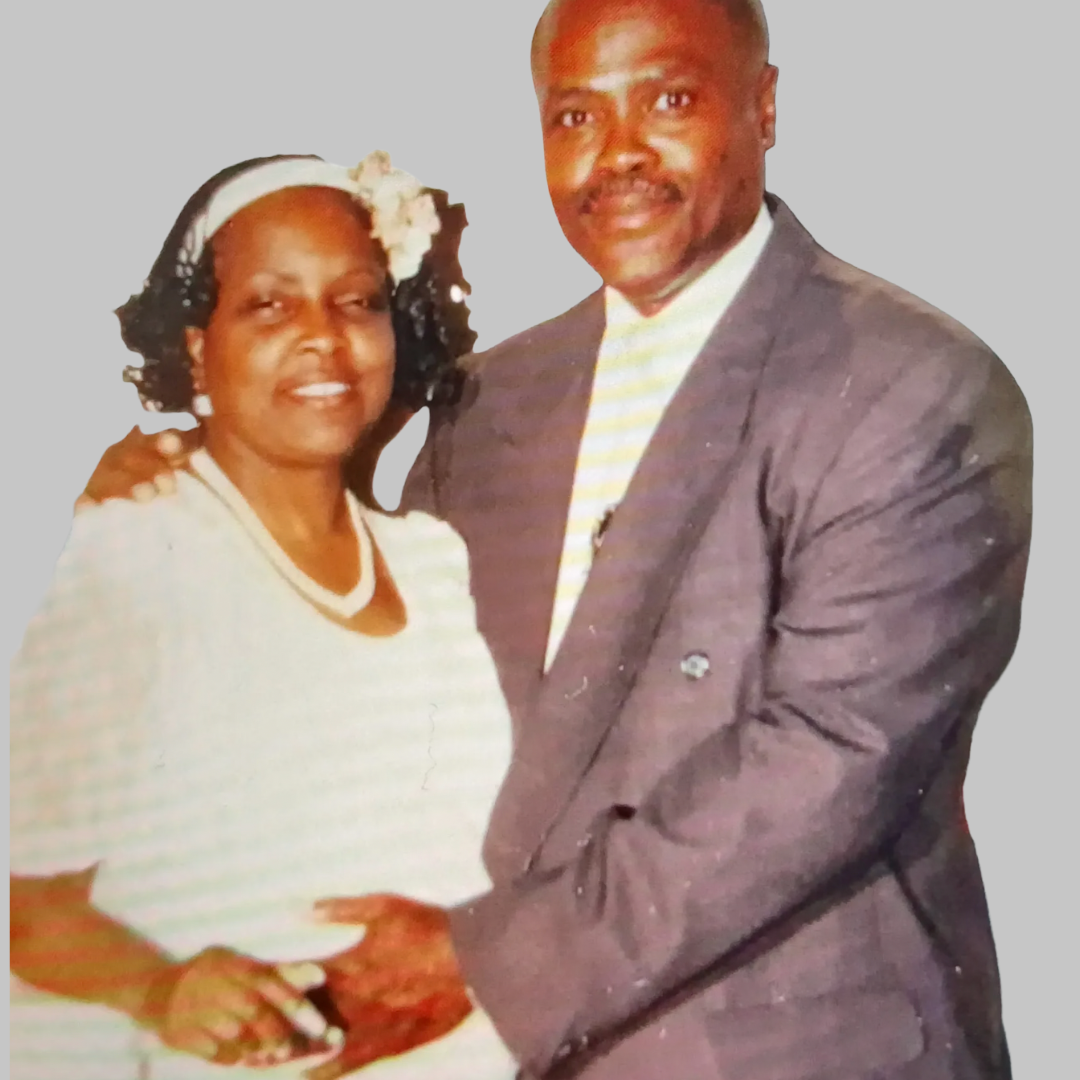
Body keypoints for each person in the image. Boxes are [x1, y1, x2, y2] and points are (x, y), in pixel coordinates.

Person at [76, 0, 1033, 1077]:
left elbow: (822, 765)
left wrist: (479, 968)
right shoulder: (491, 400)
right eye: (574, 116)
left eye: (668, 100)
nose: (618, 154)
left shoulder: (915, 388)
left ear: (764, 108)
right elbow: (396, 692)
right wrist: (191, 497)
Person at [9, 152, 519, 1080]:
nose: (324, 338)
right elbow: (29, 909)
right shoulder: (136, 555)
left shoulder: (435, 562)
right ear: (199, 345)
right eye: (270, 305)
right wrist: (160, 989)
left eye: (357, 301)